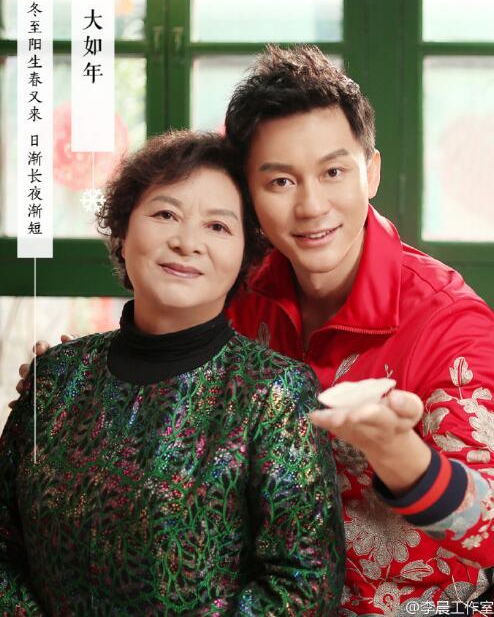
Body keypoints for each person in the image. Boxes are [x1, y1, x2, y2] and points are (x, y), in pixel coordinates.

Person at [15, 47, 494, 615]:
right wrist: (80, 388)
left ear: (371, 173)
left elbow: (488, 530)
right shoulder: (237, 282)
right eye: (281, 181)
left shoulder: (448, 323)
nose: (311, 206)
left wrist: (400, 455)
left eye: (334, 172)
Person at [0, 131, 345, 615]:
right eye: (165, 214)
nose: (186, 242)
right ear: (123, 233)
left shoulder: (274, 392)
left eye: (218, 226)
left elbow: (304, 586)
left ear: (246, 257)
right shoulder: (56, 376)